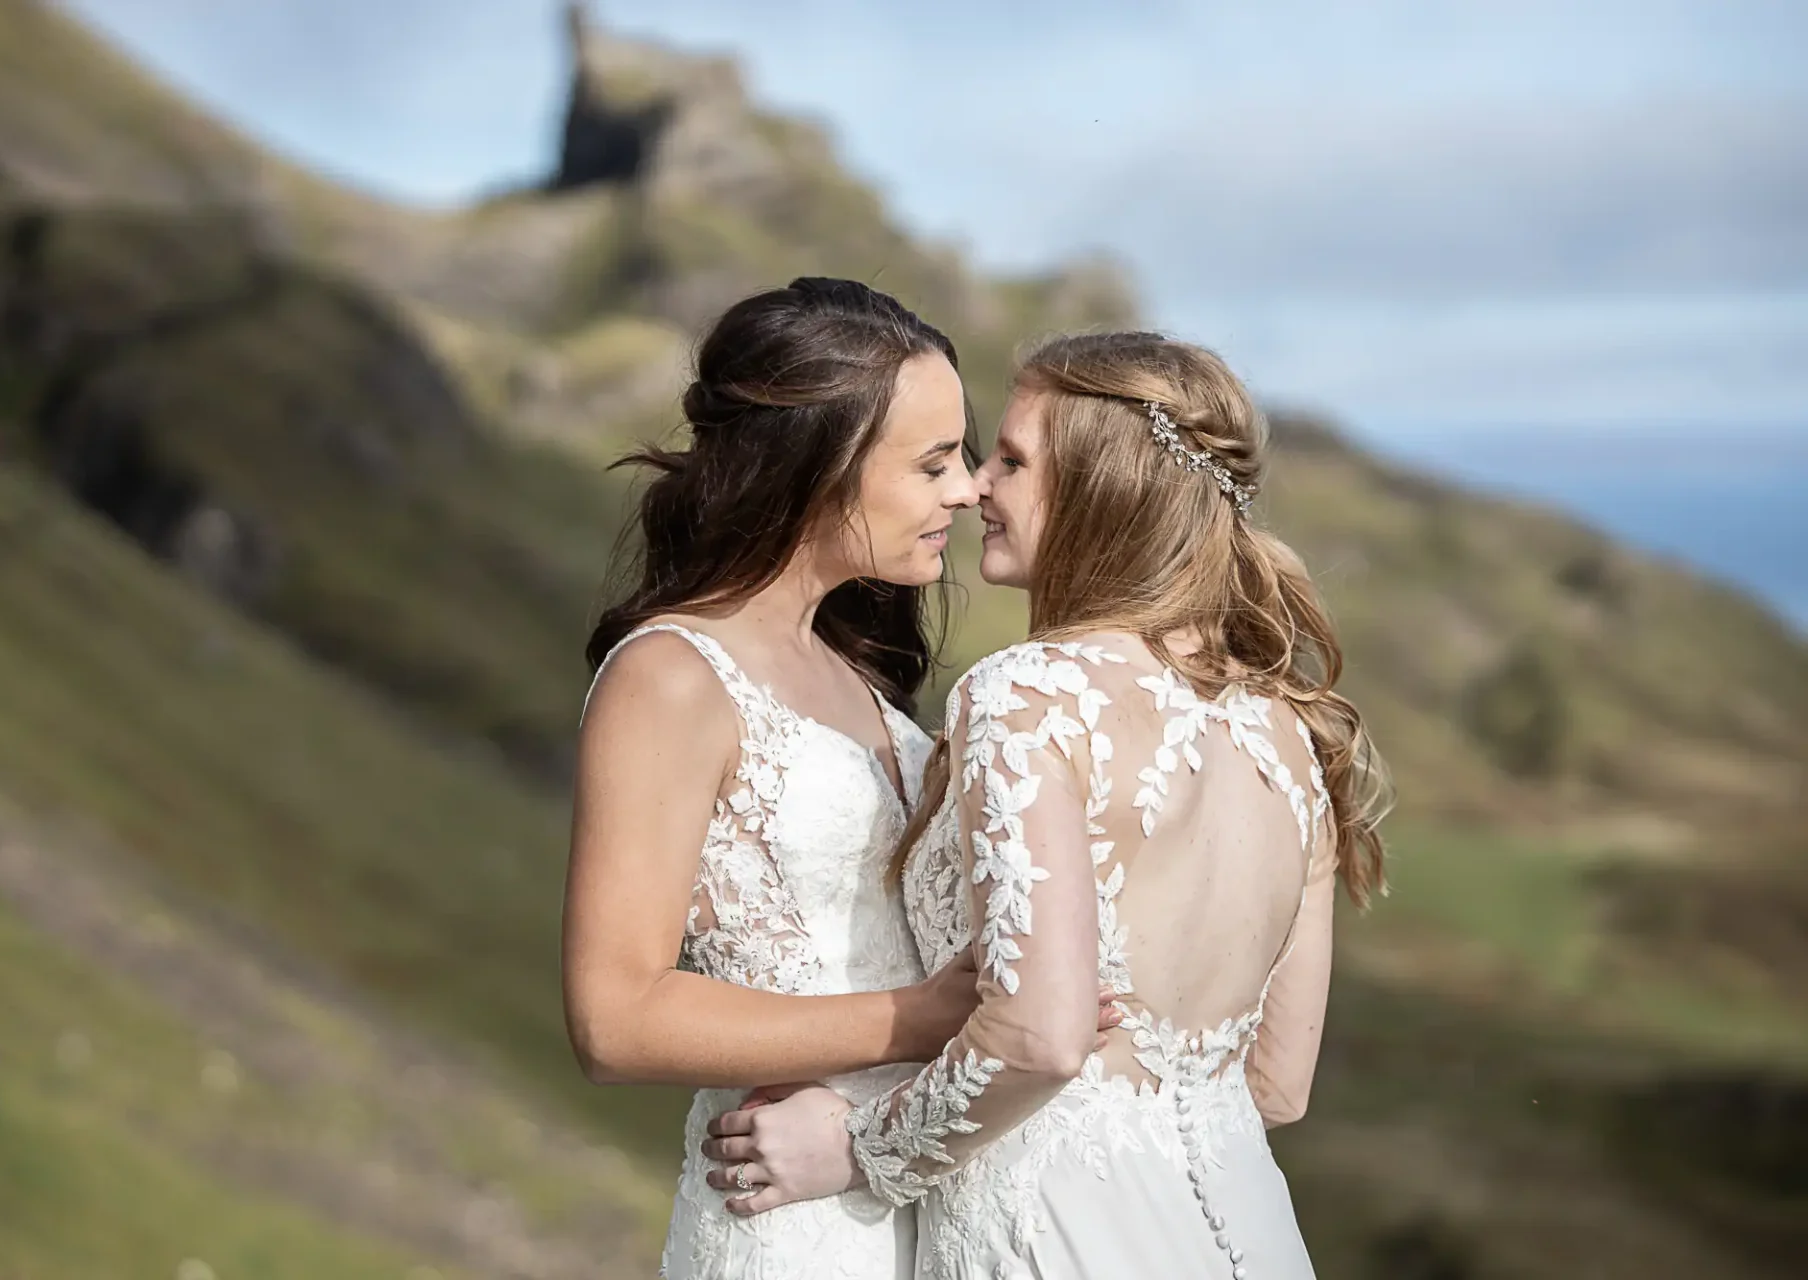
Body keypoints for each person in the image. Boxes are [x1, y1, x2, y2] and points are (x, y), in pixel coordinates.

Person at [700, 331, 1391, 1279]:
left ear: (1102, 489)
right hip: (1246, 1232)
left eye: (1013, 461)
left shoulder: (1028, 697)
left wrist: (860, 1148)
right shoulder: (1287, 732)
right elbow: (1275, 1085)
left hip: (1055, 1234)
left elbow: (1038, 1036)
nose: (978, 486)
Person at [565, 276, 990, 1279]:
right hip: (788, 1232)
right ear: (822, 469)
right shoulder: (669, 676)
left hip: (907, 1195)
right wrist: (918, 1015)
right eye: (934, 461)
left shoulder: (856, 673)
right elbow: (614, 1015)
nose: (968, 487)